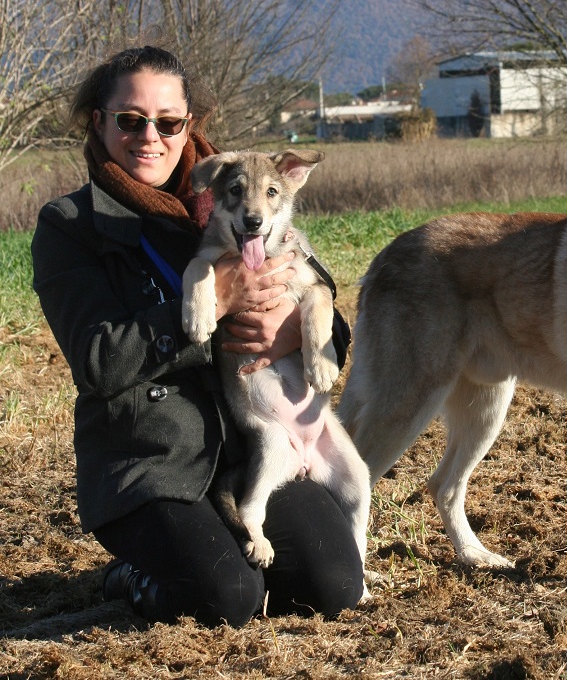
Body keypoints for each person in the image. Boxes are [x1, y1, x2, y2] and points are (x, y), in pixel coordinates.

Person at [31, 45, 364, 627]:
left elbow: (323, 304)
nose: (150, 137)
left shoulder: (234, 198)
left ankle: (217, 549)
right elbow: (98, 361)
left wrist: (291, 332)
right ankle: (131, 574)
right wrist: (221, 304)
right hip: (151, 459)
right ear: (99, 122)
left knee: (330, 584)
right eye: (132, 121)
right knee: (224, 598)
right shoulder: (70, 227)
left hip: (246, 450)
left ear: (191, 126)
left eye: (168, 122)